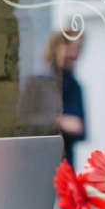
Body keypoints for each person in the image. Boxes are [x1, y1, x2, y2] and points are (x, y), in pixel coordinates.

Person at [17, 30, 86, 167]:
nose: (73, 53)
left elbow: (81, 129)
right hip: (36, 161)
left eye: (77, 48)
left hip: (65, 163)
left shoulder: (75, 86)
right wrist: (57, 121)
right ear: (55, 48)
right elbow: (20, 123)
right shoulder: (36, 82)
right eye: (69, 47)